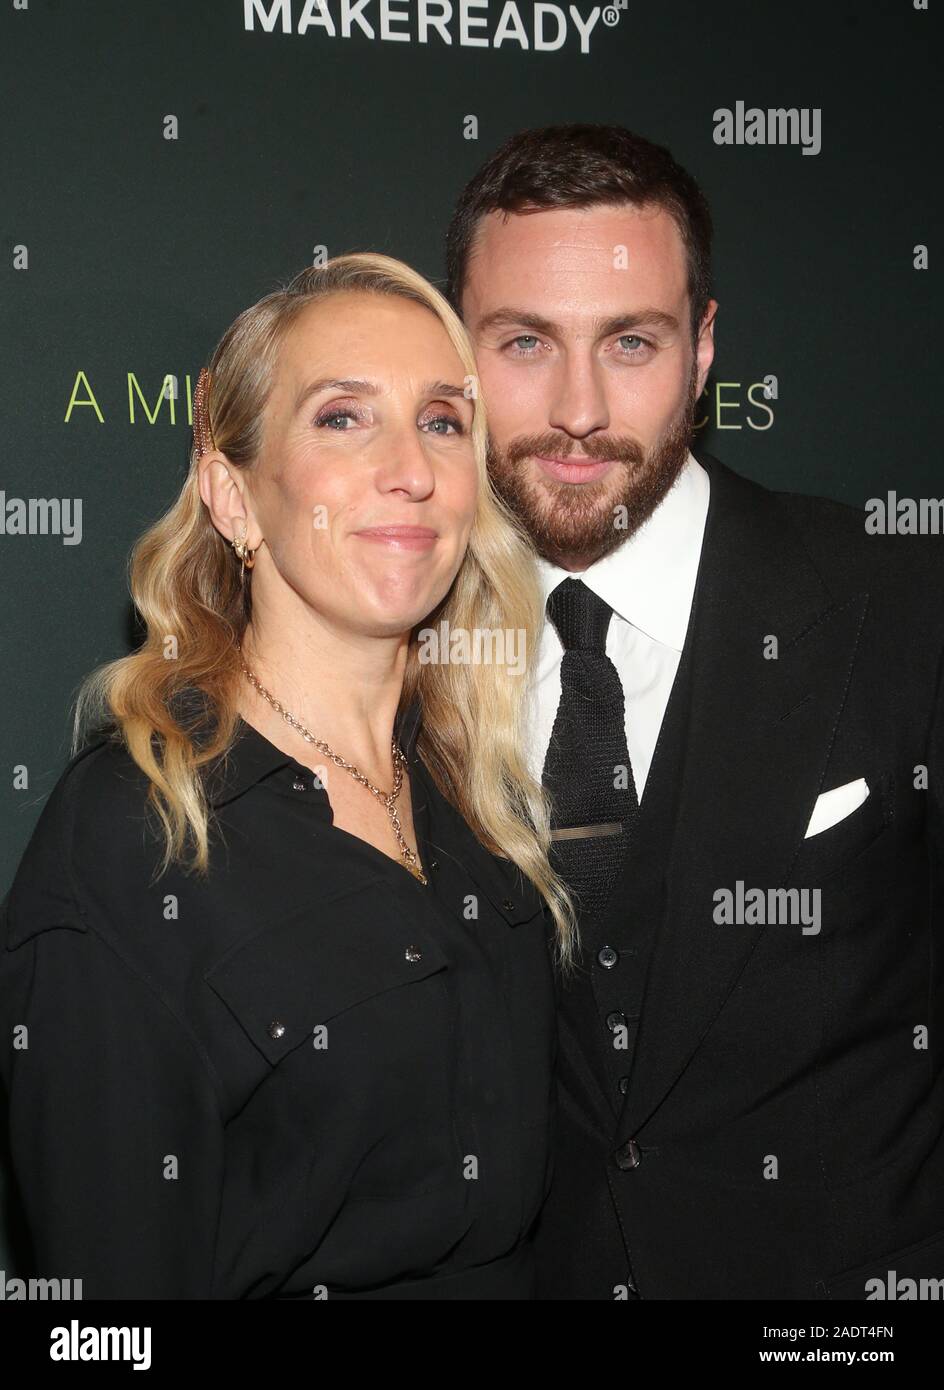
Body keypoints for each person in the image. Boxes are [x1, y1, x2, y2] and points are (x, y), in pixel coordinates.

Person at [0, 252, 576, 1300]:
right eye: (343, 418)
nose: (410, 467)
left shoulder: (471, 793)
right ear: (233, 496)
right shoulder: (136, 840)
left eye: (443, 421)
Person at [444, 123, 944, 1299]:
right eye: (523, 342)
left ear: (704, 348)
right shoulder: (396, 648)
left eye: (629, 342)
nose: (577, 410)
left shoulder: (898, 598)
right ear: (454, 355)